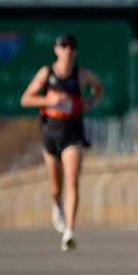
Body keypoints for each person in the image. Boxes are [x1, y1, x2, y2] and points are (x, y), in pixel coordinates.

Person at [20, 33, 104, 251]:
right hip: (50, 133)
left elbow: (99, 87)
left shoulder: (81, 74)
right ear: (56, 50)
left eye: (72, 47)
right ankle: (56, 205)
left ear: (75, 51)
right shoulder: (46, 73)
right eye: (64, 46)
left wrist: (90, 102)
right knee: (56, 186)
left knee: (72, 181)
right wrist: (49, 100)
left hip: (72, 133)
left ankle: (69, 230)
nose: (68, 50)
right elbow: (26, 99)